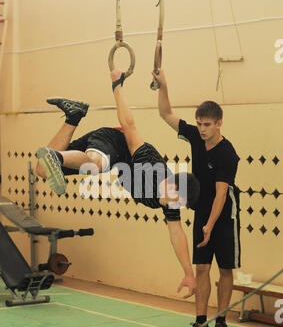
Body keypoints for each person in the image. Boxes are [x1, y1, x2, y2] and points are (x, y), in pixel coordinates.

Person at [35, 69, 200, 299]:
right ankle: (58, 158)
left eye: (177, 204)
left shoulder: (171, 201)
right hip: (113, 140)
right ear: (171, 185)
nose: (172, 205)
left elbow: (177, 235)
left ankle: (73, 116)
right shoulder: (150, 165)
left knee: (41, 170)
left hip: (108, 157)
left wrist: (189, 273)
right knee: (96, 165)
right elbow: (129, 125)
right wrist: (117, 86)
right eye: (175, 200)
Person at [153, 68, 240, 327]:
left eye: (207, 124)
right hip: (203, 208)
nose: (202, 129)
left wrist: (210, 226)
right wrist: (163, 85)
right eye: (199, 123)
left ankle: (222, 322)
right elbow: (165, 114)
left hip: (225, 214)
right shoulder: (194, 136)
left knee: (225, 269)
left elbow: (221, 194)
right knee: (202, 267)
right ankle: (201, 324)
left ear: (219, 124)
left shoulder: (228, 154)